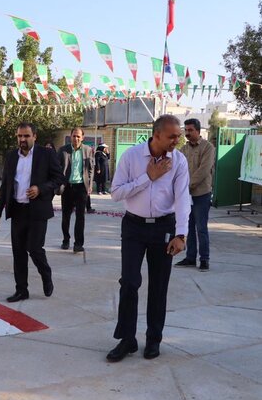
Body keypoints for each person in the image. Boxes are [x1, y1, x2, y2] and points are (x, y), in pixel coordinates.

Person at [106, 114, 190, 362]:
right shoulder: (131, 157)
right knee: (130, 282)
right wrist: (147, 177)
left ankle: (154, 340)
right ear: (156, 135)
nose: (177, 140)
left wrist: (181, 234)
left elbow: (183, 198)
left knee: (159, 286)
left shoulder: (179, 161)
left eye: (179, 136)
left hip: (164, 227)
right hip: (133, 226)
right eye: (172, 136)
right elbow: (116, 193)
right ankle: (127, 339)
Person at [0, 122, 65, 302]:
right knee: (18, 252)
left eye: (26, 136)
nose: (22, 140)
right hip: (17, 210)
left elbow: (59, 179)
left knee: (34, 249)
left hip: (37, 211)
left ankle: (45, 273)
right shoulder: (11, 157)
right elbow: (5, 185)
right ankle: (21, 290)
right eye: (19, 136)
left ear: (35, 136)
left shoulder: (46, 154)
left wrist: (41, 188)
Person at [175, 118, 215, 272]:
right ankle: (190, 258)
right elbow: (178, 168)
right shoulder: (183, 149)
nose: (187, 133)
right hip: (186, 195)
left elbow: (203, 171)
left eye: (190, 130)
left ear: (198, 130)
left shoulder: (208, 148)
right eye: (186, 130)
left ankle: (204, 259)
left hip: (201, 194)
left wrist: (186, 186)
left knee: (201, 228)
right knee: (188, 227)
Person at [57, 128, 94, 253]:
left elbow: (90, 169)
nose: (76, 138)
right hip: (67, 187)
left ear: (82, 137)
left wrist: (89, 185)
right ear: (70, 136)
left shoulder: (88, 150)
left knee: (80, 217)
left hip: (81, 188)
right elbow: (57, 168)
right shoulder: (63, 150)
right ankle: (65, 240)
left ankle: (78, 244)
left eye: (78, 136)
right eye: (74, 136)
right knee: (65, 216)